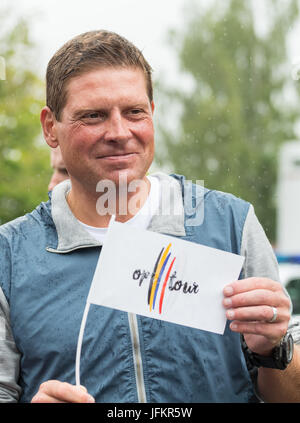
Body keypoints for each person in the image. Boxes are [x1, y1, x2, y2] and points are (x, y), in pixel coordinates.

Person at [0, 30, 299, 404]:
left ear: (152, 114)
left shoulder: (230, 225)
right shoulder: (9, 256)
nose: (119, 132)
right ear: (50, 128)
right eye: (93, 116)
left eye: (134, 112)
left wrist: (274, 350)